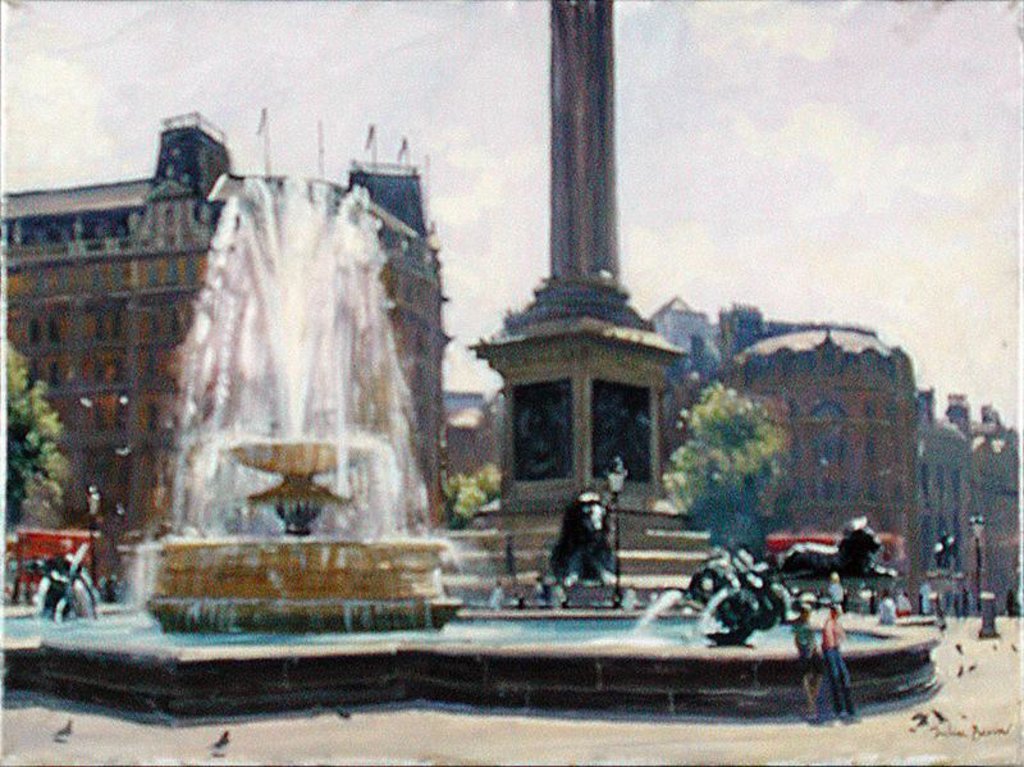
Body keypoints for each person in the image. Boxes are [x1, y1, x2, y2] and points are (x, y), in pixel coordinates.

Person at [821, 603, 857, 721]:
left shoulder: (836, 623)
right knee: (836, 678)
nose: (837, 615)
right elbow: (828, 640)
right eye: (836, 612)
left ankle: (847, 708)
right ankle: (840, 709)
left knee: (843, 678)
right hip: (830, 652)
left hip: (835, 651)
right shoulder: (829, 623)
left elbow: (843, 636)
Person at [792, 601, 823, 720]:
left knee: (818, 676)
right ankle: (811, 704)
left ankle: (812, 702)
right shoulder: (798, 624)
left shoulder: (806, 623)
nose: (809, 615)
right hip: (805, 653)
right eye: (807, 613)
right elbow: (798, 640)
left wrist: (815, 648)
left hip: (812, 651)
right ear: (803, 613)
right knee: (806, 677)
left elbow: (811, 638)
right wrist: (804, 649)